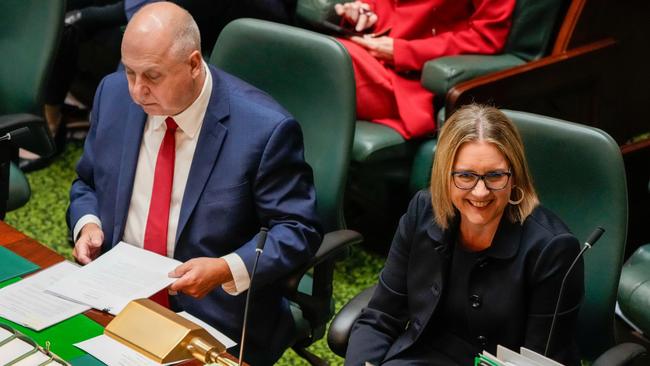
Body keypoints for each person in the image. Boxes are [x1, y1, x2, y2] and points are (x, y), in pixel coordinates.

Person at [67, 3, 322, 365]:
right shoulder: (113, 95)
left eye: (152, 77)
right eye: (130, 73)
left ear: (193, 63)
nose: (138, 92)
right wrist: (88, 223)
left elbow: (299, 229)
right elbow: (87, 183)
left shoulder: (264, 130)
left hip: (211, 314)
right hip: (114, 295)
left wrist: (225, 269)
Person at [345, 105, 584, 365]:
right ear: (445, 175)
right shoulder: (423, 211)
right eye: (466, 176)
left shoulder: (553, 249)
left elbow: (537, 362)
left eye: (495, 176)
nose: (480, 192)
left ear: (515, 176)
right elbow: (381, 317)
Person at [333, 0, 516, 139]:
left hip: (411, 80)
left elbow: (486, 37)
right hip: (369, 47)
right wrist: (364, 9)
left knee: (327, 59)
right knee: (317, 51)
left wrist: (404, 52)